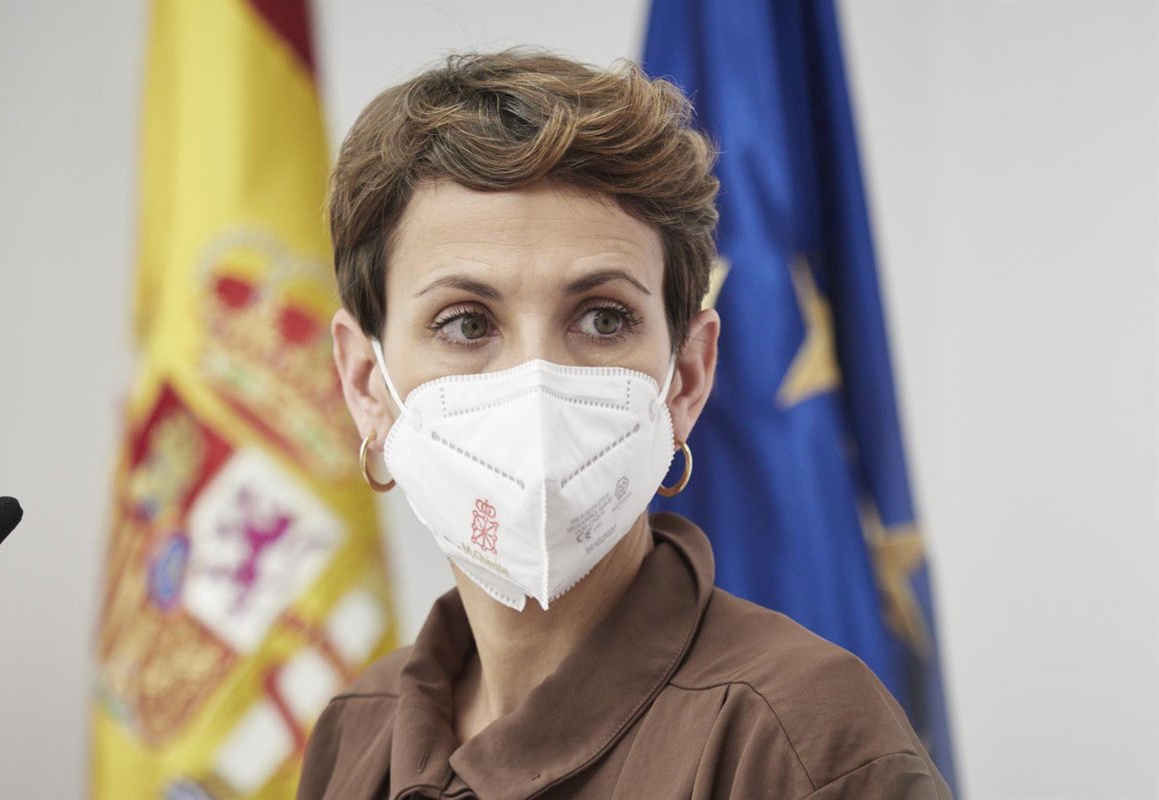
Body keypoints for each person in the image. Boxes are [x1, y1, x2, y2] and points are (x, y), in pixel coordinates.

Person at [298, 50, 952, 800]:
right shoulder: (357, 732)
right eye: (466, 323)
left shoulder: (804, 744)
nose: (535, 384)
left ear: (687, 377)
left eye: (603, 319)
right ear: (365, 383)